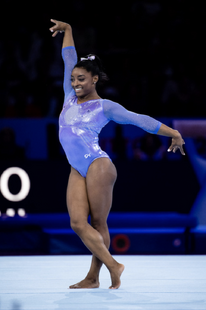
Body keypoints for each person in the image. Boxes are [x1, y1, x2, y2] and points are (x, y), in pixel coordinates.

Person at [49, 19, 185, 289]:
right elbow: (68, 59)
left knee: (99, 222)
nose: (75, 82)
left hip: (98, 164)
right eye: (73, 78)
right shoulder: (68, 96)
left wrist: (174, 133)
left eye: (82, 79)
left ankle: (94, 277)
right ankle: (114, 265)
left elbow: (139, 119)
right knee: (77, 222)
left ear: (94, 79)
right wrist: (69, 31)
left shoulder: (105, 106)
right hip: (77, 168)